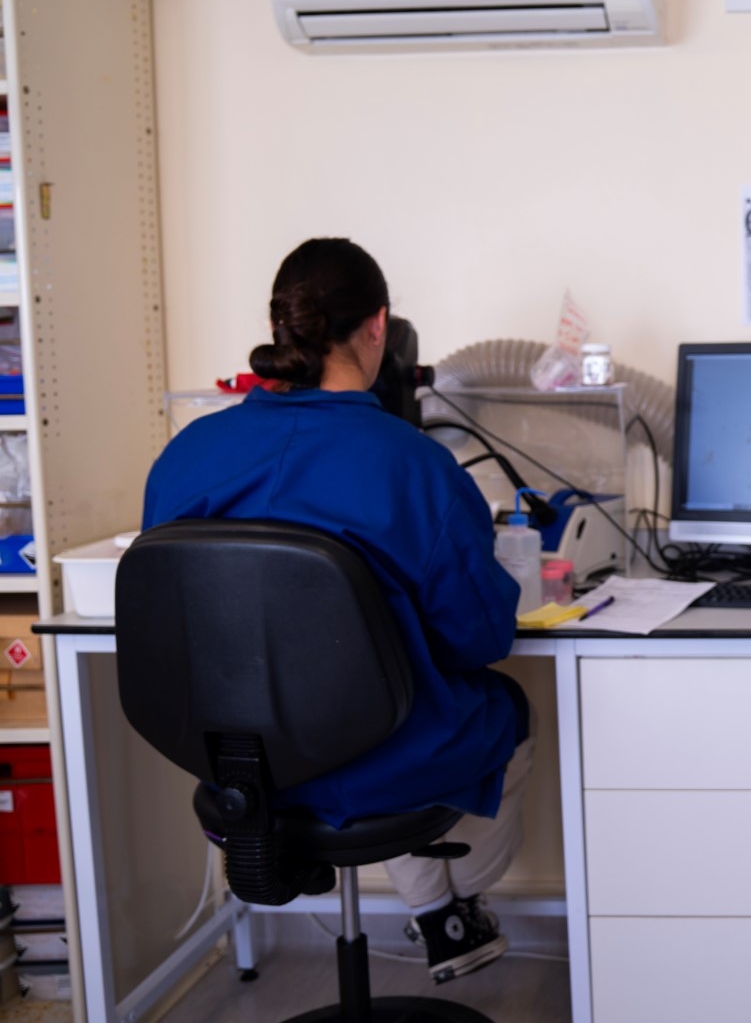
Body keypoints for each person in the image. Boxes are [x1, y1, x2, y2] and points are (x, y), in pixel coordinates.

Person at [143, 238, 531, 985]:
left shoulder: (185, 455)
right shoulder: (413, 464)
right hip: (380, 765)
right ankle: (453, 910)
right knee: (506, 715)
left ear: (281, 326)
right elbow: (480, 638)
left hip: (240, 771)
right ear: (379, 327)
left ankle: (435, 915)